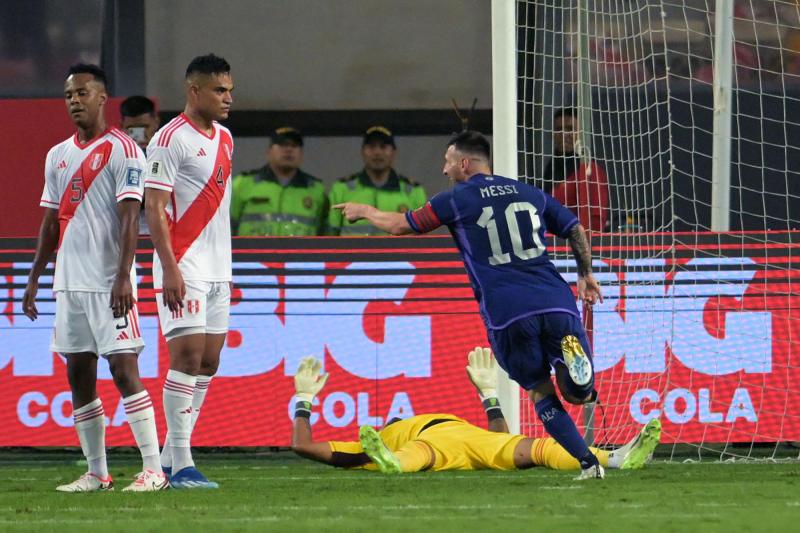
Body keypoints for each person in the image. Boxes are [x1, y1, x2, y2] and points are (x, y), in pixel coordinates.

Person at [335, 130, 608, 479]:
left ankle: (588, 463)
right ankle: (578, 376)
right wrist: (585, 273)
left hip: (508, 309)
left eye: (448, 162)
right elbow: (574, 227)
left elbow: (401, 226)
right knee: (577, 394)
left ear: (464, 163)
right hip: (555, 298)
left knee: (540, 392)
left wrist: (366, 210)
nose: (444, 169)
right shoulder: (529, 192)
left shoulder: (455, 199)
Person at [22, 64, 166, 492]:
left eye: (83, 93)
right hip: (69, 282)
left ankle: (154, 469)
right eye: (69, 95)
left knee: (124, 370)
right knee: (78, 373)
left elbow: (129, 218)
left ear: (103, 98)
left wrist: (123, 276)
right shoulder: (57, 155)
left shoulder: (125, 150)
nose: (75, 101)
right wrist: (34, 279)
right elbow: (50, 223)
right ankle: (97, 472)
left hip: (109, 282)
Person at [290, 350, 660, 476]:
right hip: (428, 446)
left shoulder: (389, 432)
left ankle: (616, 458)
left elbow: (497, 437)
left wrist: (487, 394)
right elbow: (303, 447)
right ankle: (393, 463)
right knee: (416, 455)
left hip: (468, 442)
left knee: (535, 447)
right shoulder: (368, 442)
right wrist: (303, 402)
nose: (390, 419)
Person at [144, 53, 234, 489]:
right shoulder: (167, 139)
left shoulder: (227, 138)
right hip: (183, 265)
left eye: (230, 90)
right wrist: (169, 268)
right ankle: (181, 464)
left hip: (220, 268)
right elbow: (154, 207)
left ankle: (165, 458)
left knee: (210, 362)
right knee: (187, 358)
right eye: (219, 90)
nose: (228, 98)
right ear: (194, 91)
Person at [328, 126, 426, 235]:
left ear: (394, 152)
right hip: (353, 252)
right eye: (371, 146)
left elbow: (423, 238)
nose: (377, 152)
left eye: (383, 146)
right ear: (362, 151)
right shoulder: (342, 188)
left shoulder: (413, 191)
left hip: (398, 253)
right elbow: (330, 234)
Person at [230, 127, 328, 236]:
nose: (288, 150)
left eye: (294, 145)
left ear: (301, 154)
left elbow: (324, 232)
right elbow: (226, 226)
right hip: (252, 253)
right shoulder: (243, 183)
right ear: (268, 151)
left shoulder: (315, 189)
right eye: (282, 144)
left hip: (299, 253)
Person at [542, 107, 609, 234]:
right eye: (558, 129)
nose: (563, 134)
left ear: (581, 133)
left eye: (569, 129)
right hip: (552, 243)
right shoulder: (549, 170)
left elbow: (596, 220)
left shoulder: (590, 170)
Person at [120, 95, 160, 235]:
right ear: (122, 127)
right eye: (132, 129)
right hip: (123, 234)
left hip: (164, 231)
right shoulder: (113, 156)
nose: (139, 135)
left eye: (144, 128)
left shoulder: (171, 150)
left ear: (156, 122)